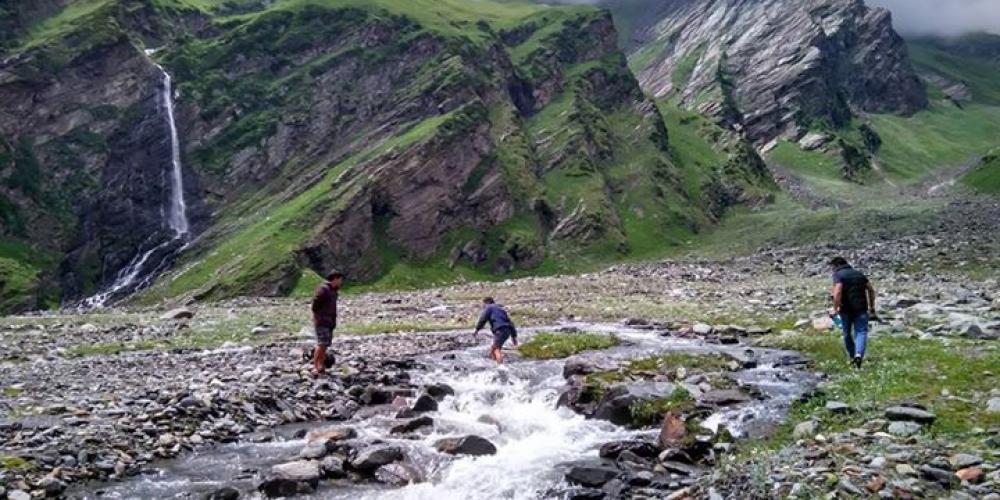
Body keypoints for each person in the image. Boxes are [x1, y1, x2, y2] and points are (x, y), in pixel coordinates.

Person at [829, 257, 876, 369]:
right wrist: (872, 306)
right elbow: (871, 289)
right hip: (861, 308)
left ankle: (852, 357)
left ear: (835, 266)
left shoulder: (839, 275)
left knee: (846, 333)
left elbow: (838, 292)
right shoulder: (859, 274)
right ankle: (858, 354)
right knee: (861, 332)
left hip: (846, 309)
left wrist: (835, 308)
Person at [311, 270, 344, 375]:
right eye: (340, 279)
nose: (341, 282)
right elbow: (315, 304)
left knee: (325, 345)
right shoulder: (324, 289)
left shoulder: (334, 291)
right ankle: (316, 366)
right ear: (335, 279)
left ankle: (321, 364)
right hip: (322, 321)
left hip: (329, 322)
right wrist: (319, 316)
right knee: (321, 344)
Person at [474, 297, 517, 364]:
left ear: (486, 303)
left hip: (500, 330)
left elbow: (483, 319)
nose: (483, 306)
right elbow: (510, 322)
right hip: (508, 330)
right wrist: (514, 337)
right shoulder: (501, 309)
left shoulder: (489, 307)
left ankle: (500, 366)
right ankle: (494, 363)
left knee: (497, 349)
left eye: (483, 304)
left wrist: (477, 330)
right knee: (493, 348)